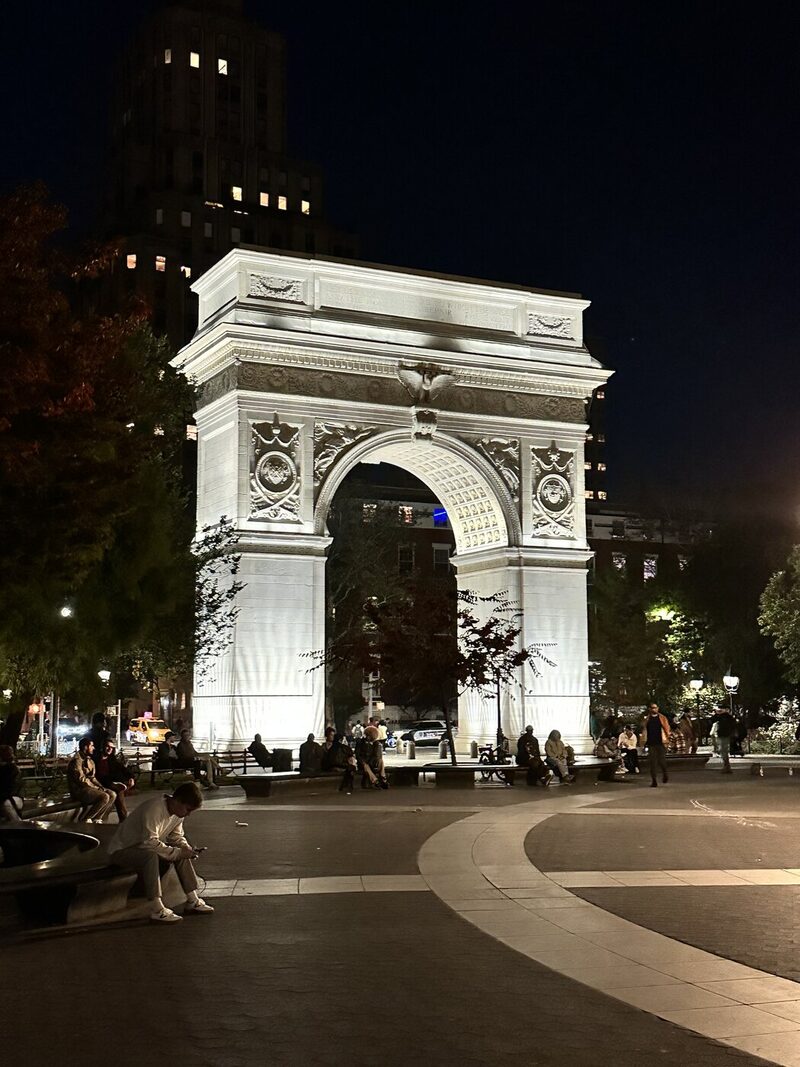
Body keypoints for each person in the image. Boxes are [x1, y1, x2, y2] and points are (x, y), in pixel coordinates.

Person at [107, 781, 214, 923]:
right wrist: (177, 852)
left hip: (142, 847)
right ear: (177, 801)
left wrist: (186, 849)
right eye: (188, 809)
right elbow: (149, 842)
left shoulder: (178, 813)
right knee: (150, 855)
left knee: (180, 852)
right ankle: (156, 908)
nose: (188, 814)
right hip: (121, 851)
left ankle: (192, 899)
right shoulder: (154, 809)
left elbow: (176, 836)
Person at [67, 738, 116, 822]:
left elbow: (92, 777)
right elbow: (81, 779)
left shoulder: (89, 760)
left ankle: (97, 818)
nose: (94, 748)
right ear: (85, 747)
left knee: (112, 794)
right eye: (92, 746)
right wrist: (97, 788)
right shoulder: (76, 761)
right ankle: (86, 818)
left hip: (88, 789)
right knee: (104, 796)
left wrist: (101, 786)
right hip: (79, 790)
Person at [95, 740, 136, 821]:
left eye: (111, 747)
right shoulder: (96, 759)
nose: (109, 749)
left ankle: (123, 819)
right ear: (102, 747)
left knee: (118, 790)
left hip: (112, 782)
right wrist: (111, 783)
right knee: (118, 791)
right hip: (100, 783)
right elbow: (97, 776)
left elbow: (122, 768)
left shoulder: (111, 759)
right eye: (108, 747)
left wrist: (131, 777)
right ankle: (124, 819)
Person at [642, 703, 671, 787]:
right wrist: (644, 742)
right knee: (652, 763)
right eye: (652, 708)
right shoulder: (647, 719)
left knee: (662, 761)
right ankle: (654, 780)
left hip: (661, 743)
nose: (654, 709)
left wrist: (667, 740)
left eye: (655, 708)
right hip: (651, 743)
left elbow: (667, 729)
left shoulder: (662, 718)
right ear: (649, 709)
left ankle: (665, 773)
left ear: (658, 708)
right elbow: (644, 730)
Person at [320, 728, 357, 793]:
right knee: (351, 768)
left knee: (350, 768)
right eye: (331, 735)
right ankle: (347, 785)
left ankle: (346, 785)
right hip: (337, 765)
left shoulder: (332, 747)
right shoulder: (343, 747)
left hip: (332, 765)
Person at [0, 745, 23, 821]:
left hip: (14, 798)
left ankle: (18, 825)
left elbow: (12, 791)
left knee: (7, 804)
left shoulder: (13, 770)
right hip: (4, 798)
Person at [713, 706, 737, 773]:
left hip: (724, 735)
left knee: (723, 750)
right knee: (723, 750)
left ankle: (726, 766)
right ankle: (726, 766)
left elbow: (714, 720)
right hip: (725, 734)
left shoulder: (724, 717)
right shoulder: (727, 717)